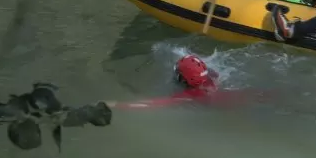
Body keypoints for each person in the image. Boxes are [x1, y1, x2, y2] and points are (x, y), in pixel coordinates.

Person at [106, 54, 265, 110]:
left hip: (240, 107)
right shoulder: (213, 78)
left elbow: (153, 104)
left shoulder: (190, 94)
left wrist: (116, 105)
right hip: (251, 96)